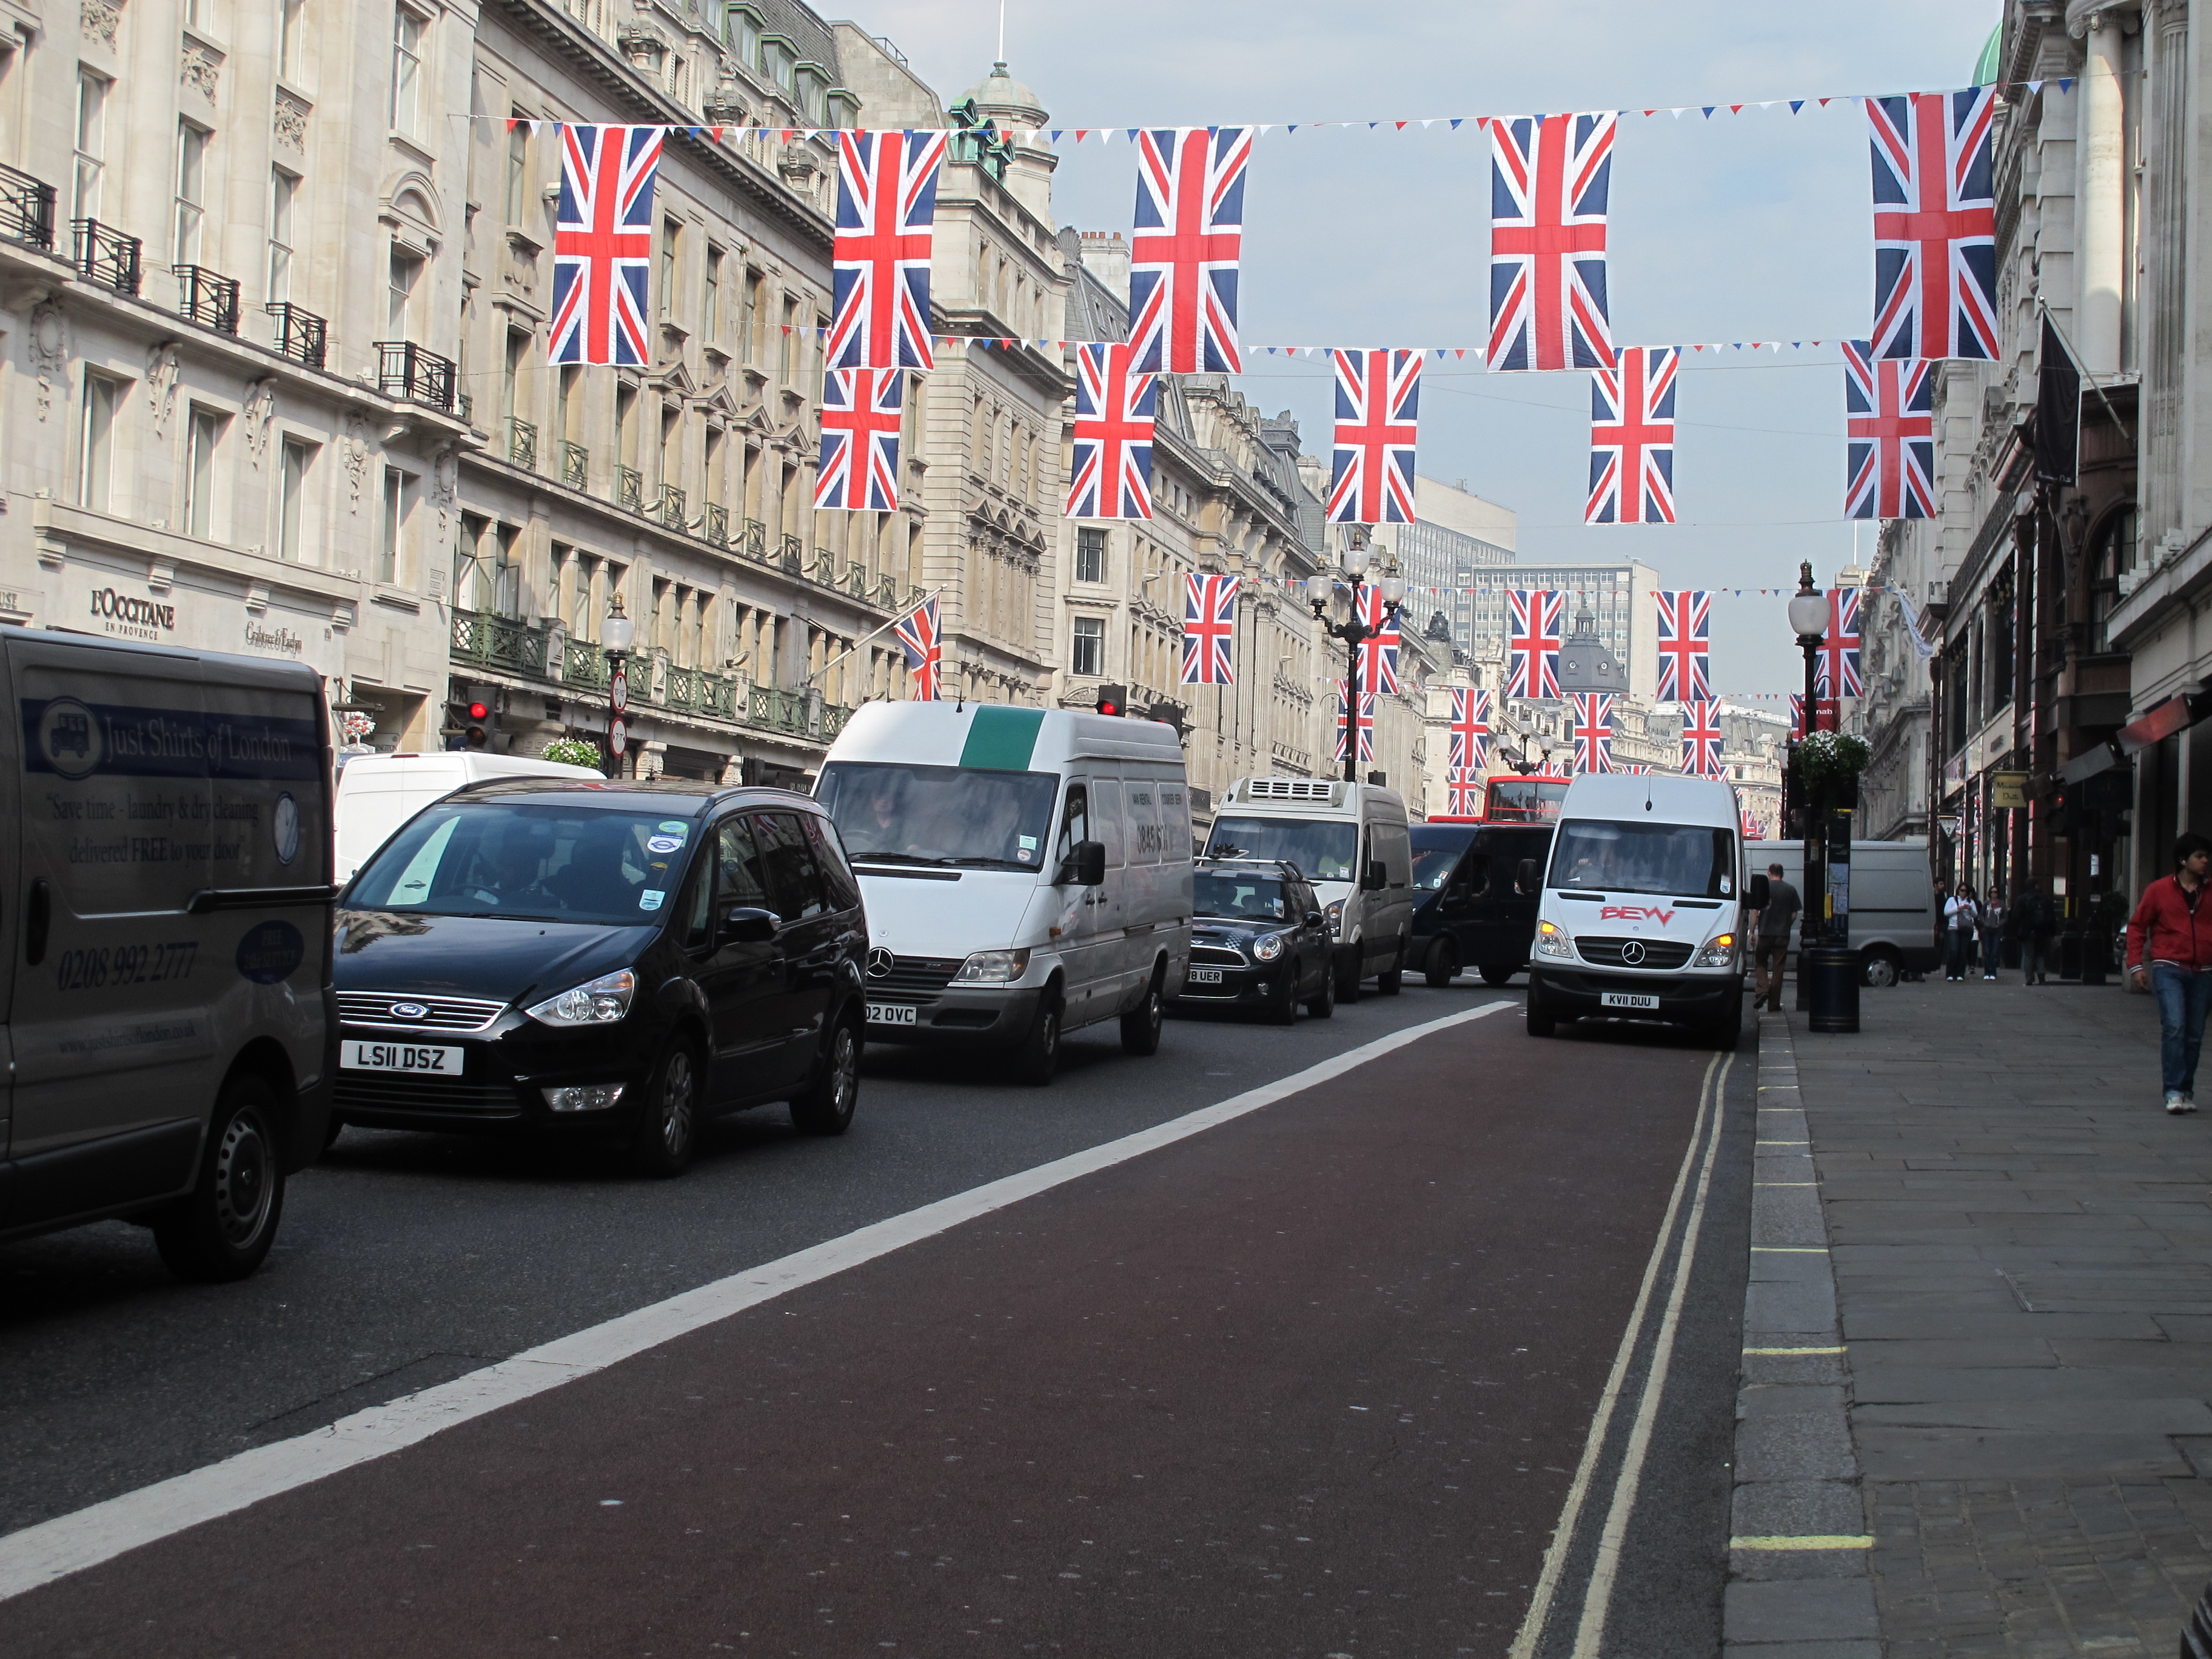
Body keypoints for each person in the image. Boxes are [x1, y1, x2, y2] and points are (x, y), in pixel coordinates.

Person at [2125, 832, 2212, 1114]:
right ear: (2183, 859)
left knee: (2195, 1034)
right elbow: (2138, 926)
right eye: (2200, 856)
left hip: (2203, 971)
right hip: (2169, 967)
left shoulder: (2209, 892)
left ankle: (2186, 1089)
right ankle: (2173, 1090)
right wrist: (2137, 965)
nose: (2205, 862)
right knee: (2175, 1026)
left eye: (2206, 856)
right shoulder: (2159, 891)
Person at [1752, 862, 1800, 1011]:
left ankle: (1763, 989)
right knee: (1779, 968)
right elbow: (1794, 914)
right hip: (1782, 935)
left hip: (1765, 933)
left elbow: (1755, 912)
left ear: (1769, 873)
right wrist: (1785, 925)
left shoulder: (1764, 889)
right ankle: (1774, 1004)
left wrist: (1752, 931)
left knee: (1760, 963)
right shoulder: (1790, 890)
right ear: (1782, 874)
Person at [2012, 880, 2054, 985]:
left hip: (2027, 931)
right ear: (2037, 885)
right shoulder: (2045, 899)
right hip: (2042, 931)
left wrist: (2018, 930)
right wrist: (2052, 932)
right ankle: (2041, 976)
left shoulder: (2022, 899)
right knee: (2040, 954)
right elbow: (2051, 916)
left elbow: (2016, 916)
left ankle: (2029, 978)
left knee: (2028, 955)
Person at [1943, 884, 1979, 981]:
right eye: (1962, 890)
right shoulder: (1951, 900)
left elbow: (1975, 915)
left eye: (1965, 891)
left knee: (1963, 951)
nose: (1963, 893)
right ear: (1958, 891)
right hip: (1953, 928)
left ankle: (1960, 974)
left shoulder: (1971, 902)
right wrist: (1958, 908)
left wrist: (1969, 909)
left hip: (1966, 929)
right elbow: (1946, 912)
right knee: (1954, 950)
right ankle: (1950, 973)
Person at [1979, 884, 2007, 982]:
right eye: (1992, 892)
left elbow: (2005, 917)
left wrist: (1999, 924)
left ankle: (1993, 972)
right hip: (1987, 930)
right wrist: (1984, 923)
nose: (1994, 894)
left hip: (1997, 930)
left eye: (1995, 892)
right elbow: (1981, 915)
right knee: (1987, 951)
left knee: (1995, 952)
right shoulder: (1987, 904)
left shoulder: (2002, 904)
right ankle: (1987, 972)